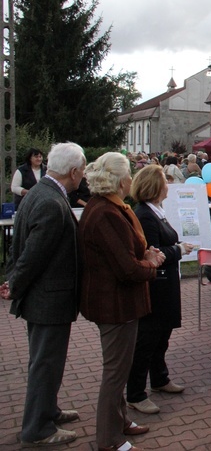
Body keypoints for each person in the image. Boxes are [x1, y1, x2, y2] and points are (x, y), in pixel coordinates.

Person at [79, 152, 166, 451]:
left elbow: (125, 256)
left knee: (119, 368)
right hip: (115, 304)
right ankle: (110, 440)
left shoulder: (110, 207)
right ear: (118, 180)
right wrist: (151, 264)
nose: (131, 179)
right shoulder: (106, 213)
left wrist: (144, 256)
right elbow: (126, 268)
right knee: (115, 374)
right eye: (128, 174)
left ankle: (119, 423)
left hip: (118, 301)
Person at [3, 143, 85, 447]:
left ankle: (47, 411)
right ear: (74, 171)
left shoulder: (40, 193)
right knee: (45, 363)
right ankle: (38, 428)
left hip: (44, 297)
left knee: (47, 362)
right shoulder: (51, 201)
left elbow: (19, 247)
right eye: (83, 169)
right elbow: (33, 255)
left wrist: (14, 279)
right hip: (48, 299)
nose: (84, 175)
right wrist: (14, 285)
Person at [126, 165, 194, 415]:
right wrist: (178, 250)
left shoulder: (156, 212)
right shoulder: (144, 214)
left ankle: (159, 378)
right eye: (165, 182)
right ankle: (135, 393)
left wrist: (176, 246)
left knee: (161, 337)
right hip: (156, 286)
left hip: (165, 283)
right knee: (147, 340)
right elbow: (151, 253)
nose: (169, 185)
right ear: (155, 187)